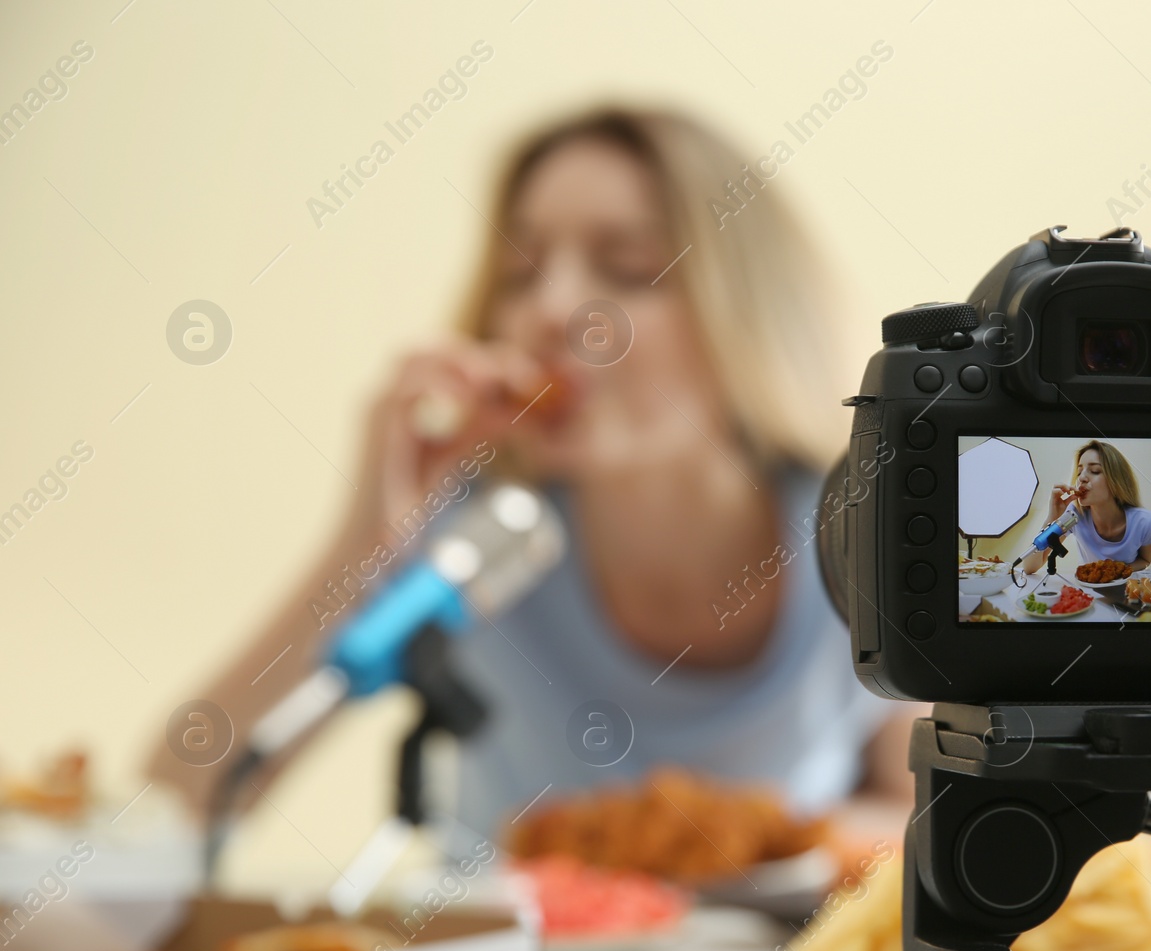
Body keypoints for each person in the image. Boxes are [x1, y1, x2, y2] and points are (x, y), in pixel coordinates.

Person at [149, 107, 907, 852]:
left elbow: (931, 822)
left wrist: (728, 845)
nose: (551, 310)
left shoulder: (862, 533)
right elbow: (179, 802)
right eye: (520, 272)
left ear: (745, 311)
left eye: (629, 269)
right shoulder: (474, 538)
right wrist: (366, 542)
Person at [1022, 440, 1151, 573]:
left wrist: (1115, 572)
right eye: (1079, 472)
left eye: (1094, 471)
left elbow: (1144, 560)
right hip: (1088, 594)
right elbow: (1030, 567)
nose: (1081, 478)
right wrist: (1052, 518)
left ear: (1117, 480)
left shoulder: (1145, 521)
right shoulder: (1074, 515)